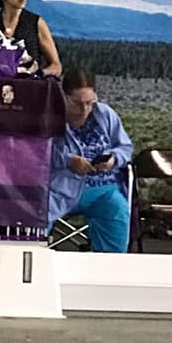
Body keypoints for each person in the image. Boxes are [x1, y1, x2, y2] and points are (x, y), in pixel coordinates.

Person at [48, 67, 132, 252]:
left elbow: (125, 148)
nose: (84, 109)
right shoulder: (50, 117)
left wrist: (113, 160)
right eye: (77, 103)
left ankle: (108, 270)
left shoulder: (106, 114)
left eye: (89, 102)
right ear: (64, 95)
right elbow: (39, 154)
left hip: (104, 190)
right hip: (59, 188)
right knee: (39, 213)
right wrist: (69, 161)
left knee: (118, 209)